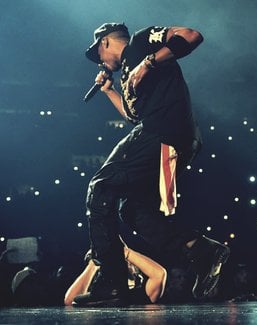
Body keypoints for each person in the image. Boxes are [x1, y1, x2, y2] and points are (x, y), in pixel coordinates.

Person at [75, 22, 229, 306]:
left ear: (106, 42)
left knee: (101, 187)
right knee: (134, 210)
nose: (99, 61)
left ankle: (112, 280)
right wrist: (110, 90)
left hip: (165, 130)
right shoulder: (125, 74)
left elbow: (192, 36)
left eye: (97, 53)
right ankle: (202, 250)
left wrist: (148, 62)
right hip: (167, 135)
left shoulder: (141, 41)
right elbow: (133, 115)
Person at [65, 244, 167, 306]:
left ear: (136, 269)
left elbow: (159, 274)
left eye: (126, 262)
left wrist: (123, 251)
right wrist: (94, 263)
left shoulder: (141, 293)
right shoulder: (99, 295)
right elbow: (70, 301)